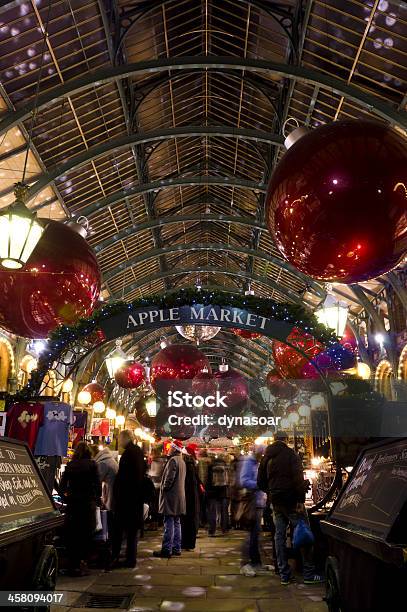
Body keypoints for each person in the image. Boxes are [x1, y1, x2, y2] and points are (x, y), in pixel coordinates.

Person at [257, 433, 323, 585]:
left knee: (279, 537)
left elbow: (260, 483)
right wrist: (300, 500)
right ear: (286, 441)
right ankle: (309, 573)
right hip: (292, 500)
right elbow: (298, 479)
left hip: (276, 502)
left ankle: (284, 574)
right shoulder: (290, 454)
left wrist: (271, 492)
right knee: (304, 532)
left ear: (274, 440)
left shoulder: (266, 457)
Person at [60, 442, 101, 576]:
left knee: (72, 534)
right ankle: (83, 563)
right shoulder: (92, 465)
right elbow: (98, 485)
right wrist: (96, 497)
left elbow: (62, 486)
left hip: (73, 505)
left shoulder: (71, 465)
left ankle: (73, 564)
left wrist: (67, 497)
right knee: (86, 534)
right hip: (87, 504)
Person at [111, 430, 145, 568]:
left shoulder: (129, 453)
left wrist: (117, 493)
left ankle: (122, 558)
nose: (119, 442)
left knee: (121, 530)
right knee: (131, 531)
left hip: (127, 499)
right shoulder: (137, 451)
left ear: (125, 438)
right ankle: (130, 558)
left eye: (120, 439)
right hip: (135, 498)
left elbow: (124, 477)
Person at [153, 439, 186, 558]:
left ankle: (167, 549)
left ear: (174, 449)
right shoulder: (181, 461)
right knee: (177, 522)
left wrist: (164, 488)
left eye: (170, 447)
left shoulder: (173, 460)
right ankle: (176, 548)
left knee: (169, 522)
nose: (168, 449)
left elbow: (169, 479)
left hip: (171, 497)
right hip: (179, 496)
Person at [239, 450, 268, 576]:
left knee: (256, 534)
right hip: (252, 503)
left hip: (259, 502)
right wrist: (259, 485)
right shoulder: (249, 462)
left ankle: (256, 562)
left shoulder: (256, 463)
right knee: (252, 534)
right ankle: (246, 564)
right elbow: (244, 480)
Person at [181, 444, 201, 551]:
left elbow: (187, 483)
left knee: (186, 520)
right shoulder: (193, 464)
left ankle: (186, 543)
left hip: (188, 497)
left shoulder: (187, 464)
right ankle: (189, 543)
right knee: (191, 520)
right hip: (194, 496)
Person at [206, 454, 230, 536]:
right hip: (223, 491)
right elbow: (228, 479)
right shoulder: (226, 466)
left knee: (212, 511)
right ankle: (225, 529)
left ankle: (212, 530)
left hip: (212, 492)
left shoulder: (210, 466)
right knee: (224, 511)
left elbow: (208, 479)